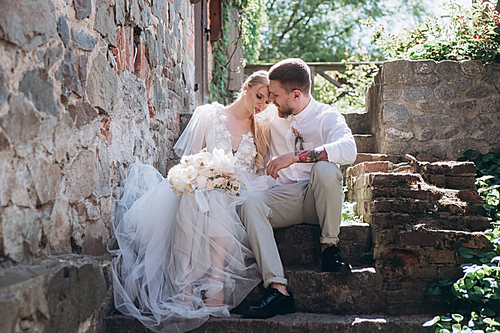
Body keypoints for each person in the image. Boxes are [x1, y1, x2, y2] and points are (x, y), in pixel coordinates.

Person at [110, 71, 274, 333]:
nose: (261, 105)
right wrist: (203, 178)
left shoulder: (262, 128)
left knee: (216, 196)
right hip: (205, 183)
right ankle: (186, 285)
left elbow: (259, 172)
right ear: (246, 87)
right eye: (259, 97)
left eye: (267, 102)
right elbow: (192, 160)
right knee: (197, 194)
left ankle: (216, 280)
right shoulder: (210, 115)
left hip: (241, 190)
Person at [240, 59, 357, 319]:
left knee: (326, 169)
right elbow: (243, 113)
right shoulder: (273, 116)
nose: (270, 100)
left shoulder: (326, 116)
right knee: (251, 203)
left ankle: (329, 248)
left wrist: (296, 157)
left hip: (320, 199)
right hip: (286, 198)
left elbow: (349, 150)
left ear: (295, 94)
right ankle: (277, 289)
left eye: (275, 95)